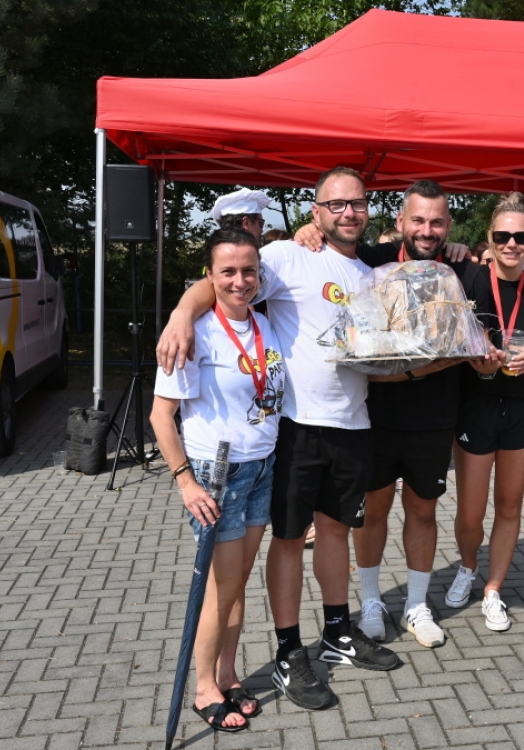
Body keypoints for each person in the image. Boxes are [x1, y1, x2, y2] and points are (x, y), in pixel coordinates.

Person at [156, 167, 400, 715]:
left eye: (357, 203)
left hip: (354, 423)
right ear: (316, 212)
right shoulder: (289, 255)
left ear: (367, 209)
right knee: (289, 540)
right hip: (294, 426)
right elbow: (225, 278)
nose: (348, 213)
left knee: (335, 531)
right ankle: (290, 651)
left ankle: (337, 630)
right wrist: (180, 314)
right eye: (335, 204)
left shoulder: (371, 274)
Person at [293, 180, 479, 648]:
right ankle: (373, 601)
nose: (427, 230)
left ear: (448, 226)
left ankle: (416, 604)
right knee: (372, 512)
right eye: (418, 220)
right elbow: (330, 243)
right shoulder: (370, 261)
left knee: (423, 511)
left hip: (434, 417)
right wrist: (306, 230)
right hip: (373, 416)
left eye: (437, 222)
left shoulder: (459, 267)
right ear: (400, 222)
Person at [149, 228, 284, 733]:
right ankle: (204, 687)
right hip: (217, 474)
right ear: (209, 276)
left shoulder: (264, 323)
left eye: (249, 271)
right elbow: (161, 416)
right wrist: (186, 481)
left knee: (237, 584)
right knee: (221, 589)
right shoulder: (195, 333)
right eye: (227, 271)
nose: (239, 281)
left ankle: (227, 674)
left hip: (262, 465)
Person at [446, 194, 524, 632]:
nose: (512, 244)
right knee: (471, 511)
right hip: (476, 406)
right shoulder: (469, 279)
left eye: (521, 237)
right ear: (489, 237)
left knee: (509, 504)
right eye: (503, 235)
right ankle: (467, 567)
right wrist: (471, 359)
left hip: (523, 408)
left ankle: (493, 588)